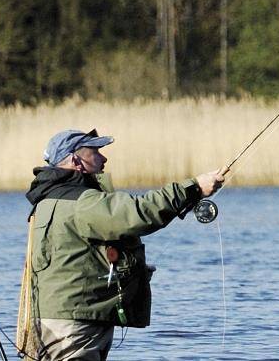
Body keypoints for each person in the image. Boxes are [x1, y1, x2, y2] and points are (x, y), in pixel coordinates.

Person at [14, 127, 227, 361]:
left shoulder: (46, 202)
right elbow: (139, 212)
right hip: (76, 324)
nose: (104, 158)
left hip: (53, 318)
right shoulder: (83, 203)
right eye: (95, 152)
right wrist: (193, 188)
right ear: (76, 160)